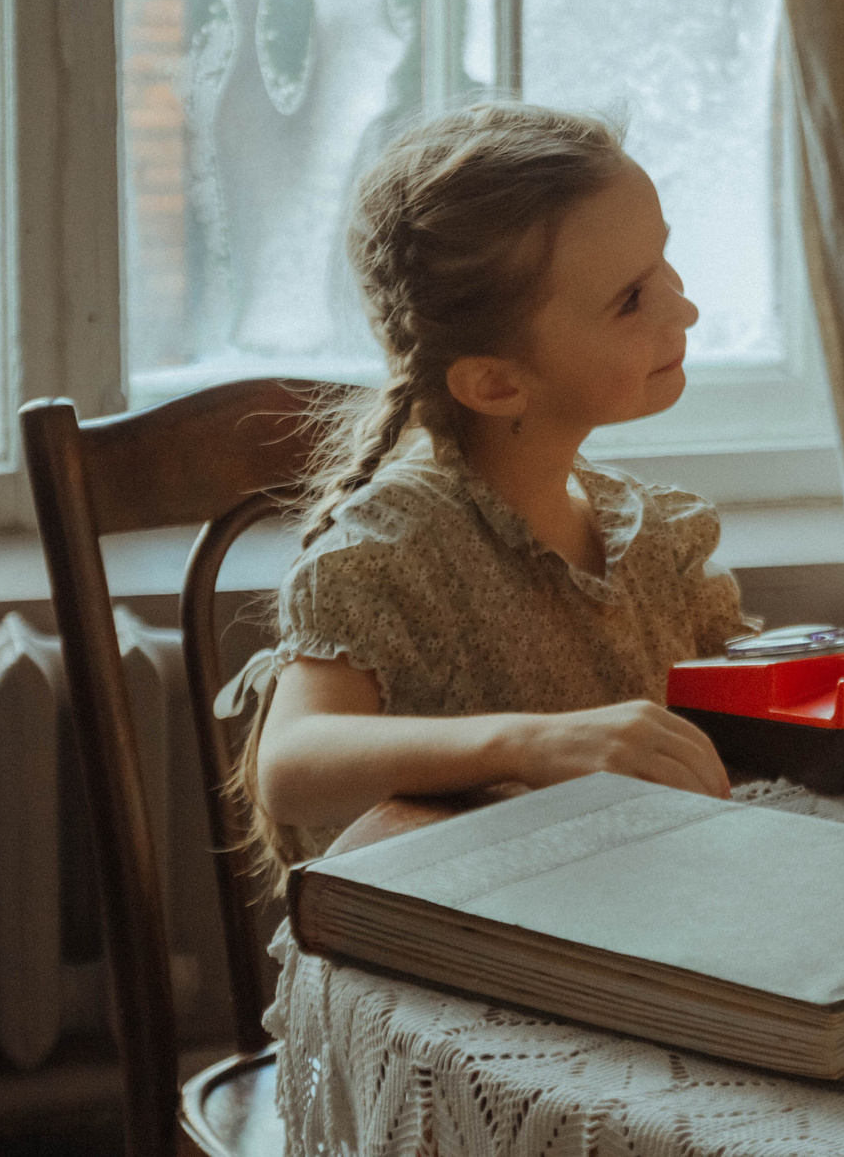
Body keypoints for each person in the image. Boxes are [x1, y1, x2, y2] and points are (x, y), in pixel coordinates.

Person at [221, 104, 749, 878]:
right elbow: (293, 762)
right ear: (496, 382)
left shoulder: (655, 537)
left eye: (662, 263)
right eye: (632, 298)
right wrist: (533, 744)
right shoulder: (395, 549)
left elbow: (744, 709)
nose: (686, 306)